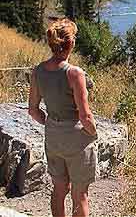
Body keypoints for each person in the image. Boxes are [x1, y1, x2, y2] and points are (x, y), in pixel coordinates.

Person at [28, 18, 98, 217]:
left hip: (53, 136)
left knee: (59, 189)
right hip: (76, 138)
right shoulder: (75, 73)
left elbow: (33, 110)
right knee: (80, 194)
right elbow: (85, 116)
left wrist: (51, 123)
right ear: (71, 43)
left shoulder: (38, 71)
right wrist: (93, 133)